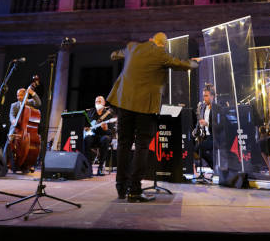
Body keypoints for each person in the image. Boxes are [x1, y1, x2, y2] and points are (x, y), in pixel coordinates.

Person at [108, 32, 200, 202]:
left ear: (151, 39)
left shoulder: (132, 46)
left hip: (124, 102)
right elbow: (180, 64)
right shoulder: (161, 53)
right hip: (145, 106)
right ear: (163, 44)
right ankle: (134, 191)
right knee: (142, 146)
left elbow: (114, 54)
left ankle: (121, 187)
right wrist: (194, 63)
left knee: (123, 144)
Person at [5, 85, 42, 173]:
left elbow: (39, 103)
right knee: (9, 143)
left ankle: (27, 164)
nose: (18, 97)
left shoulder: (30, 102)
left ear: (25, 95)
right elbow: (11, 115)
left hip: (25, 131)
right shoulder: (14, 105)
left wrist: (32, 93)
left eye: (20, 95)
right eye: (17, 95)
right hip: (16, 129)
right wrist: (13, 120)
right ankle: (7, 163)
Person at [83, 96, 116, 175]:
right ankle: (88, 167)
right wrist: (85, 128)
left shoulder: (108, 114)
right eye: (96, 101)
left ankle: (100, 167)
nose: (97, 103)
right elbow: (85, 123)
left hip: (103, 136)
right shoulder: (90, 112)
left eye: (100, 101)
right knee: (86, 139)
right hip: (92, 136)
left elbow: (111, 132)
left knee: (105, 139)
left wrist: (106, 129)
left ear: (104, 103)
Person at [193, 84, 215, 174]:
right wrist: (195, 129)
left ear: (212, 96)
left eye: (206, 96)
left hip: (214, 136)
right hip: (205, 136)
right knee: (196, 148)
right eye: (203, 96)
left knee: (198, 148)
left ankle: (214, 166)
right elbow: (199, 121)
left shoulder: (216, 107)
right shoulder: (203, 107)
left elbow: (220, 124)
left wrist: (207, 124)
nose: (204, 98)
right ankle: (214, 166)